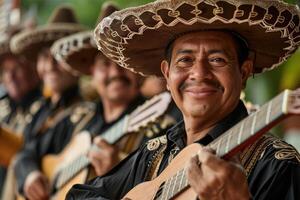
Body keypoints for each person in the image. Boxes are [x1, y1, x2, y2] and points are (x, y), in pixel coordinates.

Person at [66, 0, 300, 199]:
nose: (199, 73)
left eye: (217, 59)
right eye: (185, 60)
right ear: (167, 75)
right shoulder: (154, 152)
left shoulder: (278, 164)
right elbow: (78, 194)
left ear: (244, 72)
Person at [51, 1, 180, 180]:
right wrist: (31, 175)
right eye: (105, 64)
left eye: (122, 64)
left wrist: (118, 173)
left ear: (139, 71)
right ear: (92, 72)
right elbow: (27, 152)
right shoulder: (76, 118)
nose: (115, 72)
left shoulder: (163, 129)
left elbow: (158, 187)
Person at [10, 5, 89, 200]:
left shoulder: (88, 113)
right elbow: (25, 152)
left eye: (59, 56)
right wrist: (29, 175)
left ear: (77, 63)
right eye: (45, 57)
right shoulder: (39, 110)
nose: (51, 65)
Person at [0, 26, 41, 197]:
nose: (10, 77)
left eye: (16, 68)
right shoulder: (4, 107)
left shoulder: (46, 106)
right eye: (5, 71)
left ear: (33, 68)